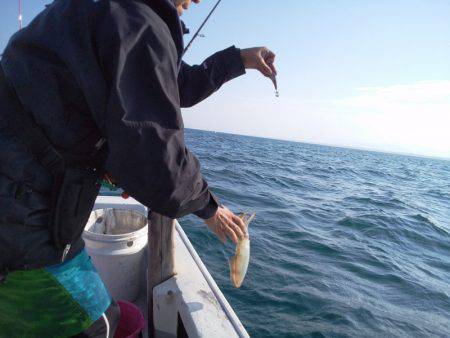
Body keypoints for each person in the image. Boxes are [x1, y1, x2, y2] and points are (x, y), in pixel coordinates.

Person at [0, 0, 277, 336]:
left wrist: (241, 59)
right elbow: (156, 156)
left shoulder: (111, 12)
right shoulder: (138, 21)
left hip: (22, 198)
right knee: (101, 327)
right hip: (23, 220)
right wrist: (209, 209)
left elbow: (174, 85)